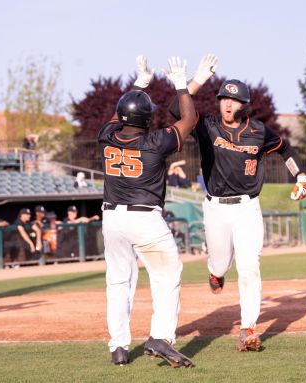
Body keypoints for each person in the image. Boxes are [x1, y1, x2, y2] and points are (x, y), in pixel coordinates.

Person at [169, 54, 306, 352]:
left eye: (234, 101)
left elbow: (286, 150)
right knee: (221, 263)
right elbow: (175, 110)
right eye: (223, 99)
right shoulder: (205, 125)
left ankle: (248, 329)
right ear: (219, 102)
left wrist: (301, 176)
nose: (228, 104)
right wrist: (197, 81)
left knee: (249, 268)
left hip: (248, 207)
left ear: (243, 105)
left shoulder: (258, 131)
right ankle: (215, 271)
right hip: (216, 207)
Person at [99, 55, 195, 367]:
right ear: (146, 120)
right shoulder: (155, 142)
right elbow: (189, 120)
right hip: (145, 219)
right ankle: (161, 336)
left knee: (118, 282)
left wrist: (140, 84)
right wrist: (181, 84)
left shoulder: (107, 135)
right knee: (167, 275)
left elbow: (118, 114)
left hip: (112, 217)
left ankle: (118, 347)